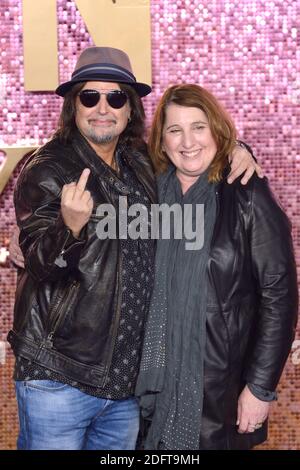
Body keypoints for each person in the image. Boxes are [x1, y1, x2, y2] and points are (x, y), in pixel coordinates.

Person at [8, 46, 261, 451]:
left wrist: (237, 148)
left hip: (125, 384)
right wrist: (68, 228)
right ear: (74, 106)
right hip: (59, 379)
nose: (102, 107)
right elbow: (40, 264)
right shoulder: (48, 169)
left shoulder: (141, 162)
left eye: (116, 97)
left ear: (130, 109)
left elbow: (193, 148)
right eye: (90, 96)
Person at [135, 84, 298, 450]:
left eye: (199, 126)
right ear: (161, 141)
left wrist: (259, 388)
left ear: (217, 132)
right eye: (175, 130)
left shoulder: (247, 194)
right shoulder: (146, 197)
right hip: (145, 394)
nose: (187, 141)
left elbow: (279, 298)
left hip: (218, 393)